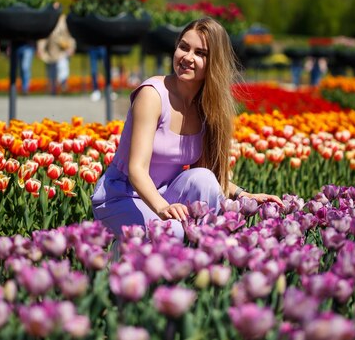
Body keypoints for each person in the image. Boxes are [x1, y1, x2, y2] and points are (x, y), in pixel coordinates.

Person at [91, 18, 282, 241]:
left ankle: (205, 254)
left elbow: (206, 176)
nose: (187, 58)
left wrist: (243, 196)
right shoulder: (152, 95)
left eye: (200, 53)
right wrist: (163, 209)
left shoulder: (207, 107)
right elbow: (137, 170)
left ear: (214, 62)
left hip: (164, 193)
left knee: (204, 177)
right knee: (173, 230)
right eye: (184, 47)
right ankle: (127, 255)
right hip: (122, 196)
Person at [37, 14, 75, 95]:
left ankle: (63, 84)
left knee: (62, 66)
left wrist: (71, 47)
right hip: (51, 52)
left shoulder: (64, 21)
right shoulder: (48, 20)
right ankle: (53, 90)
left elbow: (70, 36)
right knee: (51, 72)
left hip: (62, 51)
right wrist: (40, 48)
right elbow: (44, 37)